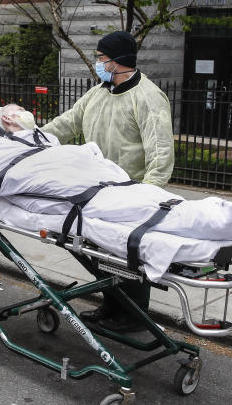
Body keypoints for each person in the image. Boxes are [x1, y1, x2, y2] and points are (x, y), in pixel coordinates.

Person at [41, 30, 174, 332]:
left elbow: (161, 151)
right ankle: (111, 305)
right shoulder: (99, 92)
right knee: (100, 253)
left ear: (118, 60)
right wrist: (35, 137)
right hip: (97, 189)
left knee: (128, 256)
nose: (97, 62)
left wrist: (148, 196)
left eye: (101, 58)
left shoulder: (148, 97)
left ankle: (133, 315)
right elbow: (69, 121)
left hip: (132, 191)